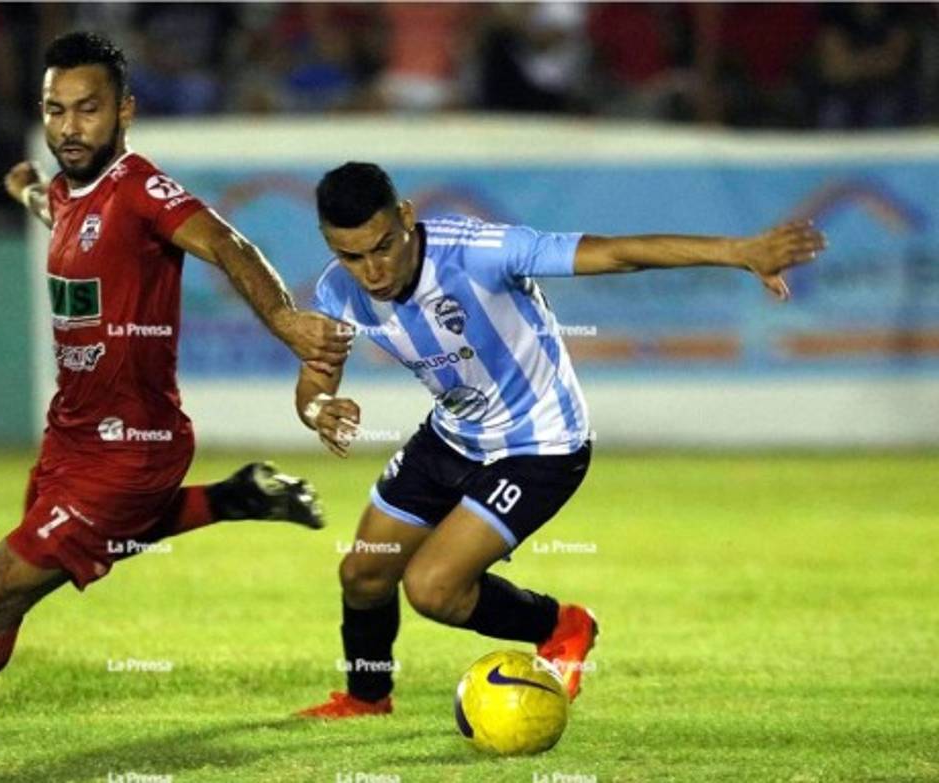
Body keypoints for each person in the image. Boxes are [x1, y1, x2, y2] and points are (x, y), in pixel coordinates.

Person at [0, 32, 350, 718]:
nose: (68, 125)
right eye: (54, 109)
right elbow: (61, 210)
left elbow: (229, 245)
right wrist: (30, 189)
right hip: (72, 434)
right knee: (60, 559)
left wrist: (288, 322)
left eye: (87, 109)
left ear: (124, 111)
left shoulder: (143, 189)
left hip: (131, 444)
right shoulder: (66, 190)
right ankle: (234, 497)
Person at [295, 162, 825, 717]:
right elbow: (314, 380)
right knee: (363, 573)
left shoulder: (480, 250)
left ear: (405, 217)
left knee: (433, 589)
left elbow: (619, 253)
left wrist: (739, 252)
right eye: (352, 256)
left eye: (383, 247)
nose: (373, 271)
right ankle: (367, 697)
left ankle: (560, 624)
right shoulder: (337, 291)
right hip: (452, 437)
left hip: (540, 446)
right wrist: (319, 408)